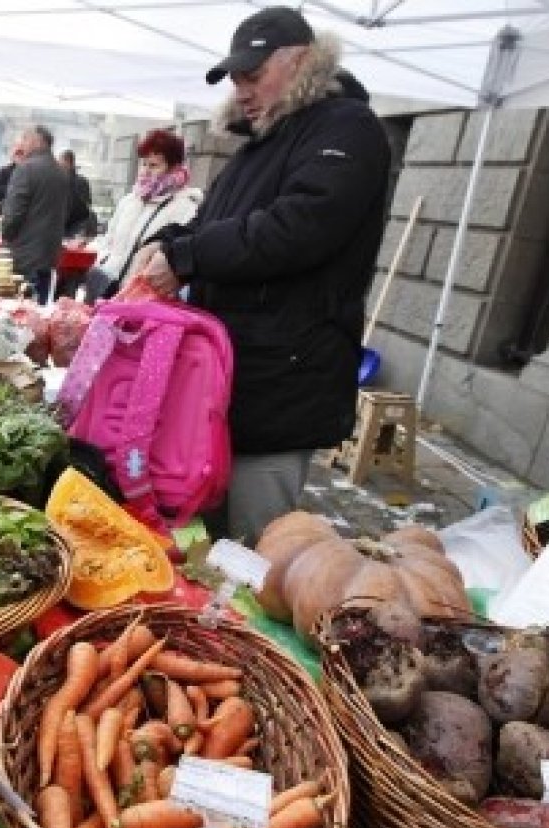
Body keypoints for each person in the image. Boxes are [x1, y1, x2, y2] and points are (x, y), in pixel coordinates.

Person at [137, 6, 391, 543]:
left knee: (254, 548)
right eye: (236, 79)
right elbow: (213, 222)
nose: (242, 90)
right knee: (203, 542)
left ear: (301, 61)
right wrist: (168, 244)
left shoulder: (348, 127)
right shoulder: (262, 142)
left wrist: (189, 257)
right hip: (230, 379)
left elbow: (298, 227)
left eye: (253, 76)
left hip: (282, 383)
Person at [86, 129, 202, 301]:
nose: (146, 171)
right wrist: (103, 263)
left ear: (174, 168)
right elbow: (109, 240)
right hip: (109, 292)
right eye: (144, 164)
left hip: (146, 301)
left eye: (153, 165)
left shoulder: (186, 207)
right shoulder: (130, 200)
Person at [1, 125, 71, 303]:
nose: (21, 144)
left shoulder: (26, 169)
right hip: (49, 254)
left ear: (36, 141)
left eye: (25, 139)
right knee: (40, 306)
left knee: (18, 308)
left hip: (24, 255)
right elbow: (67, 212)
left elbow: (13, 214)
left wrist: (6, 236)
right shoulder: (62, 173)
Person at [60, 149, 96, 238]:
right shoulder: (83, 181)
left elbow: (68, 207)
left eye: (60, 162)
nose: (59, 166)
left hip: (70, 228)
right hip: (80, 227)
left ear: (68, 162)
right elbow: (88, 203)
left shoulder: (65, 181)